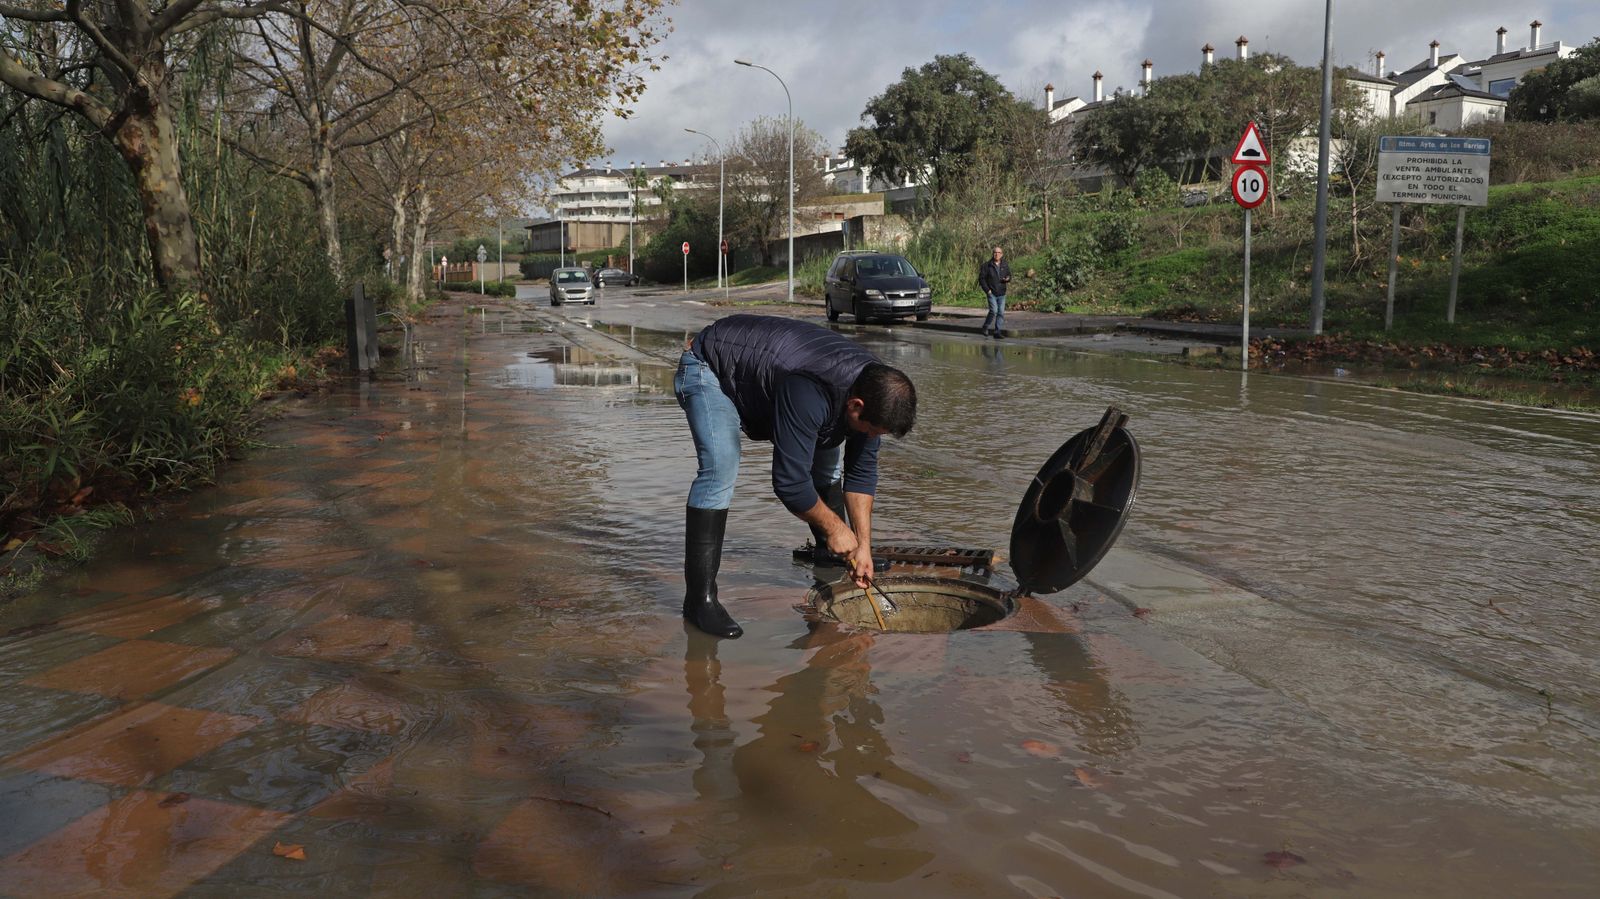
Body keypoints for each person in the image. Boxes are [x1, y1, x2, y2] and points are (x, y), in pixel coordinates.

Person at [674, 314, 917, 639]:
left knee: (829, 463)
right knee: (721, 468)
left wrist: (863, 547)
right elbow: (789, 482)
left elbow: (861, 473)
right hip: (711, 366)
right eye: (871, 430)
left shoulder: (875, 390)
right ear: (856, 406)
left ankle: (831, 552)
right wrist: (836, 528)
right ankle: (699, 601)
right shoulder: (809, 390)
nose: (872, 437)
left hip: (787, 377)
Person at [978, 246, 1011, 339]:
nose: (997, 254)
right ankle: (985, 326)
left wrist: (1008, 279)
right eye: (995, 252)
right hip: (991, 292)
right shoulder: (987, 265)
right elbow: (981, 279)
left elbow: (1009, 275)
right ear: (993, 254)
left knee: (1000, 313)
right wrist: (987, 290)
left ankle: (997, 332)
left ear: (1002, 254)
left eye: (999, 253)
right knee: (994, 311)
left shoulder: (1005, 264)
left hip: (1002, 292)